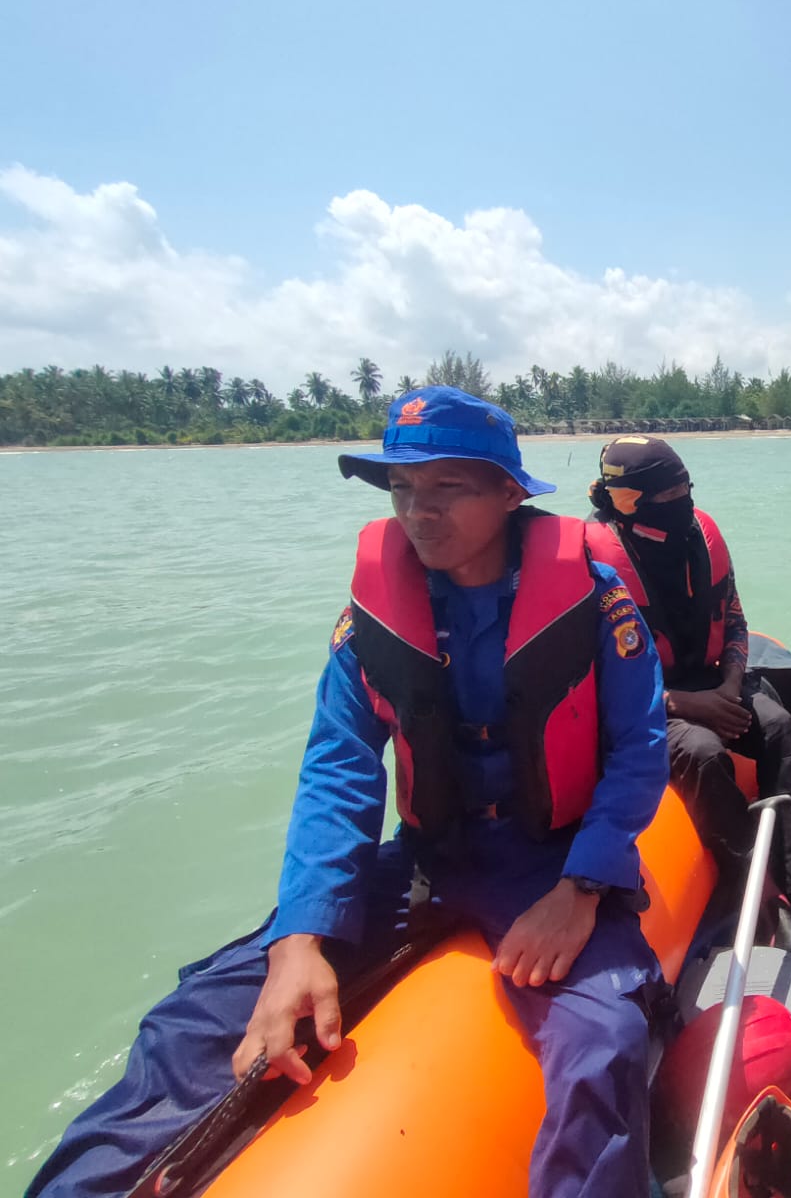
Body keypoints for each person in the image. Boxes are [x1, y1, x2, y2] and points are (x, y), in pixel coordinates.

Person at [28, 388, 670, 1198]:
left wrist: (581, 891)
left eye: (447, 488)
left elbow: (641, 747)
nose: (418, 512)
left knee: (604, 1042)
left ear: (511, 493)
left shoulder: (591, 590)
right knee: (188, 1020)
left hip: (552, 858)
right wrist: (302, 938)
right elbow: (338, 766)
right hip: (430, 856)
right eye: (402, 489)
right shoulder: (373, 614)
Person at [585, 435, 791, 965]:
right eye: (665, 493)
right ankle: (763, 899)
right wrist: (684, 705)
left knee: (779, 727)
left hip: (715, 680)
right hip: (646, 701)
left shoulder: (701, 534)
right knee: (702, 753)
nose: (681, 500)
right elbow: (598, 680)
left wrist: (730, 683)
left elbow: (734, 616)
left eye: (684, 487)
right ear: (626, 499)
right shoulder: (593, 565)